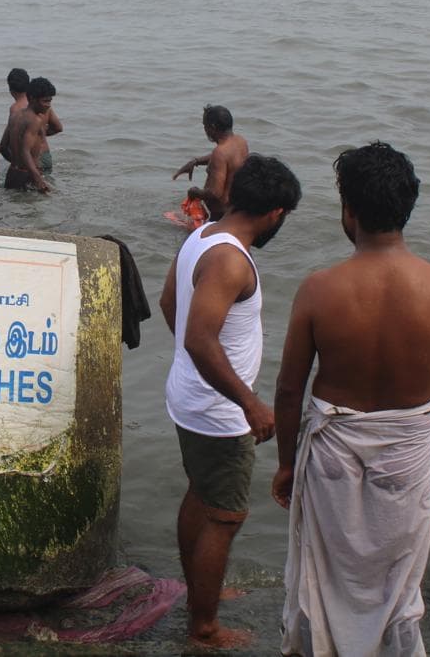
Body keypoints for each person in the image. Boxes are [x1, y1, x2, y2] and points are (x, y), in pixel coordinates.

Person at [272, 141, 430, 657]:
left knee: (321, 582)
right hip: (410, 456)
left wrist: (287, 464)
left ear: (349, 209)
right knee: (398, 586)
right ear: (407, 207)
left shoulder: (319, 289)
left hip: (331, 456)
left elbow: (290, 389)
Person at [158, 154, 302, 650]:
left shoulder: (202, 236)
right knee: (225, 516)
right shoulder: (231, 260)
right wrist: (249, 403)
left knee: (202, 495)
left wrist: (190, 363)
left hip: (191, 397)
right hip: (219, 413)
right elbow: (200, 338)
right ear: (275, 213)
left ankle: (201, 591)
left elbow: (169, 305)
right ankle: (205, 628)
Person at [172, 105, 250, 221]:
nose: (205, 130)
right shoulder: (240, 141)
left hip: (219, 217)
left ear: (212, 127)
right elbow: (227, 157)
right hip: (234, 211)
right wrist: (196, 162)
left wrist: (194, 192)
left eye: (205, 126)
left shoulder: (219, 152)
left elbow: (215, 193)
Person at [0, 67, 63, 171]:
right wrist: (38, 134)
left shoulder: (16, 109)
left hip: (31, 159)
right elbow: (58, 128)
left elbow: (6, 142)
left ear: (10, 88)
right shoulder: (43, 103)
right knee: (45, 179)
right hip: (45, 155)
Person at [2, 77, 56, 192]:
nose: (48, 105)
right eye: (45, 101)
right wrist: (38, 180)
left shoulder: (14, 115)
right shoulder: (35, 120)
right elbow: (25, 151)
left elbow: (3, 146)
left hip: (12, 174)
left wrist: (16, 164)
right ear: (32, 98)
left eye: (50, 101)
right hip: (27, 176)